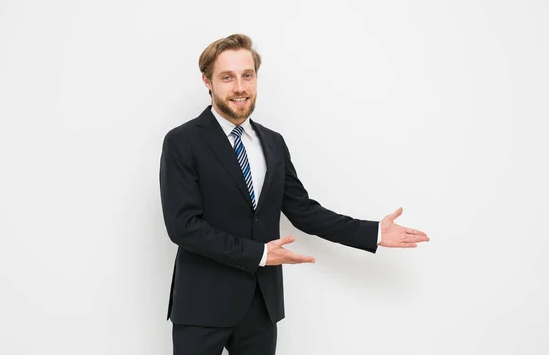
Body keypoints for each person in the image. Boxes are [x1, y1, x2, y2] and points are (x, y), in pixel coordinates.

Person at [159, 33, 429, 355]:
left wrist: (372, 232)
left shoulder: (273, 143)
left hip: (261, 306)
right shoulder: (182, 141)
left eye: (248, 75)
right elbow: (183, 226)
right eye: (227, 77)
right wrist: (258, 254)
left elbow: (303, 211)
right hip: (202, 304)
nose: (240, 87)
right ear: (207, 81)